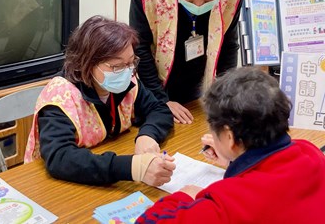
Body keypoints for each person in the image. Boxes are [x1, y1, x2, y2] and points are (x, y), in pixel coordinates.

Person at [136, 67, 325, 223]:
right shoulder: (311, 152)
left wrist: (186, 195)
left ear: (229, 137)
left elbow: (148, 221)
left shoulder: (225, 205)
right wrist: (234, 161)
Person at [24, 15, 176, 186]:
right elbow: (60, 158)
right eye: (117, 66)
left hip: (101, 162)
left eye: (131, 62)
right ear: (87, 63)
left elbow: (159, 110)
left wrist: (147, 135)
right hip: (55, 185)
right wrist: (132, 167)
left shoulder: (128, 81)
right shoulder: (60, 97)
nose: (127, 71)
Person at [129, 0, 245, 124]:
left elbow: (229, 44)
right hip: (152, 85)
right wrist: (160, 100)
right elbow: (139, 47)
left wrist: (226, 97)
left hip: (195, 86)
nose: (199, 4)